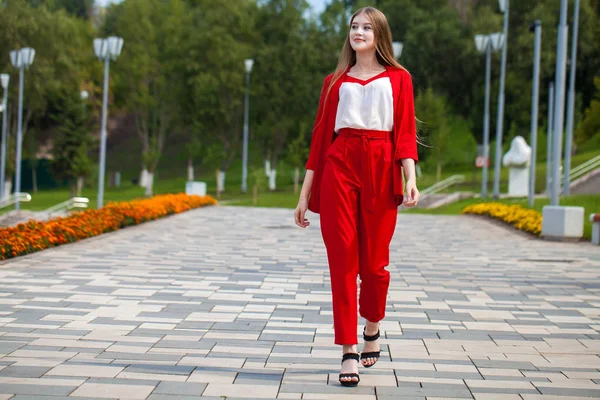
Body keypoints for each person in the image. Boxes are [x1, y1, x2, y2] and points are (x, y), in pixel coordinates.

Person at [293, 6, 420, 387]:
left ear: (380, 35)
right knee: (343, 260)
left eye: (366, 27)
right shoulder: (334, 82)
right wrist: (304, 196)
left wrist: (410, 177)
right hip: (340, 166)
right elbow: (319, 142)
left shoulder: (399, 79)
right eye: (353, 26)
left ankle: (372, 325)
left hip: (381, 166)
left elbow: (405, 132)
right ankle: (348, 348)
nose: (358, 32)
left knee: (375, 264)